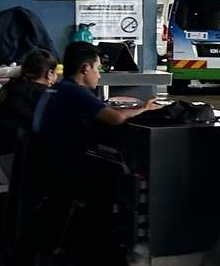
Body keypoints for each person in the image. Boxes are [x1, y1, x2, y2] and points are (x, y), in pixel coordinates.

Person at [31, 41, 166, 174]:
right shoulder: (75, 92)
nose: (99, 75)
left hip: (45, 161)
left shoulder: (59, 88)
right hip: (63, 167)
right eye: (97, 68)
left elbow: (104, 112)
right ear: (86, 68)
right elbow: (116, 118)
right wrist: (144, 108)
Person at [0, 48, 58, 156]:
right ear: (50, 74)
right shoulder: (42, 93)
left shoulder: (14, 86)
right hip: (14, 159)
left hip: (2, 153)